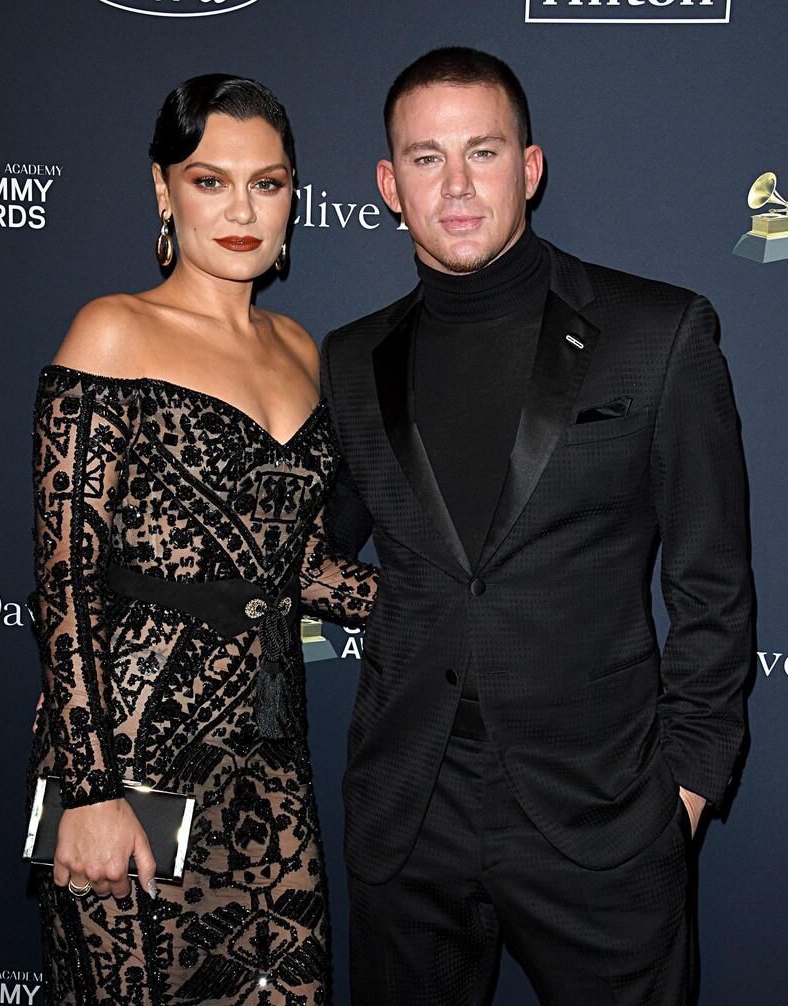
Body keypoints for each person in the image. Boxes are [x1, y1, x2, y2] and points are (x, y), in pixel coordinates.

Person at [321, 47, 751, 1005]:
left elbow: (712, 586)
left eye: (484, 150)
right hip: (408, 812)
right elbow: (313, 546)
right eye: (427, 159)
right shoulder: (351, 362)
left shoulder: (659, 334)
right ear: (390, 186)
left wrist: (684, 787)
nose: (459, 184)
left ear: (531, 166)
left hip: (601, 811)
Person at [28, 73, 376, 1006]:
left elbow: (294, 563)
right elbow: (64, 583)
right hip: (135, 748)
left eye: (267, 183)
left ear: (294, 194)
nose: (241, 209)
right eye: (209, 180)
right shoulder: (112, 331)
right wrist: (88, 791)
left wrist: (451, 607)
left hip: (269, 753)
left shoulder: (303, 350)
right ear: (162, 189)